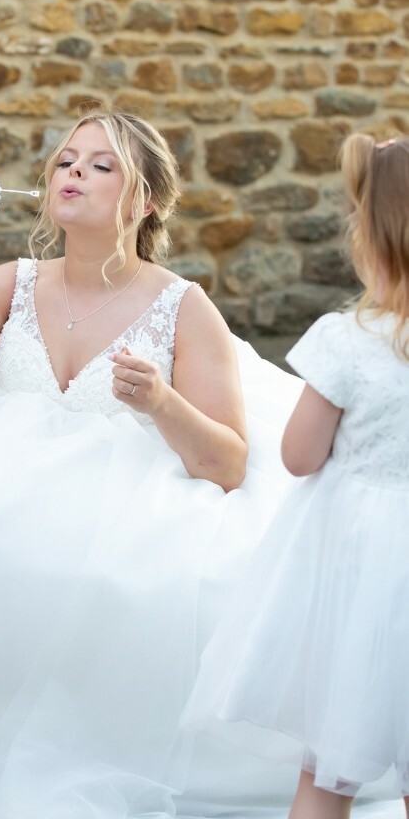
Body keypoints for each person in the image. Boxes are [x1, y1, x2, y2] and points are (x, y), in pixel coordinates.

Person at [0, 109, 305, 818]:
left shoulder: (183, 306)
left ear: (142, 203)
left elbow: (227, 464)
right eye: (65, 161)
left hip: (132, 502)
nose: (72, 171)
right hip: (6, 480)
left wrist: (161, 402)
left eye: (99, 165)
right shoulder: (9, 282)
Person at [183, 134, 409, 819]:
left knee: (328, 763)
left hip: (360, 563)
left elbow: (299, 456)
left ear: (366, 234)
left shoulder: (349, 339)